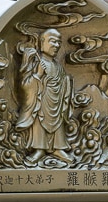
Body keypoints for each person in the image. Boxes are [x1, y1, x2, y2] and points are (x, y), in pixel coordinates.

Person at [15, 28, 74, 163]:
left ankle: (58, 148)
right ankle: (39, 149)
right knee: (39, 119)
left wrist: (66, 84)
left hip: (57, 101)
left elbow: (62, 82)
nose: (57, 45)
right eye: (52, 41)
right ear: (42, 42)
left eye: (59, 42)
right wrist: (38, 75)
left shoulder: (58, 66)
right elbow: (25, 85)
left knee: (58, 121)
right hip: (41, 100)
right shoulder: (36, 62)